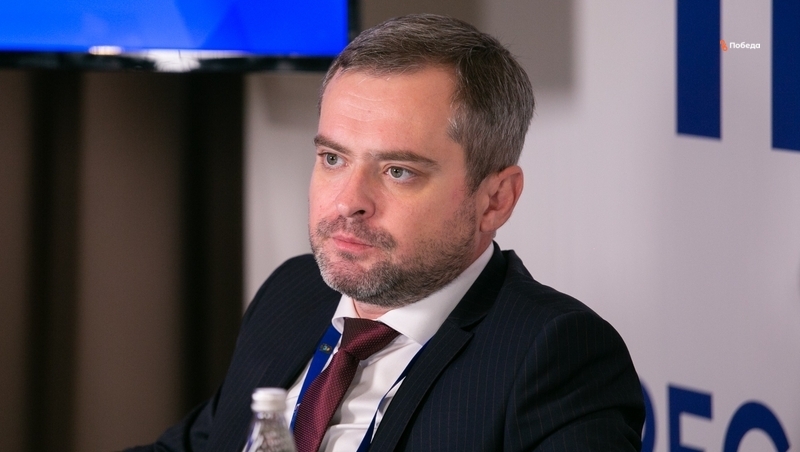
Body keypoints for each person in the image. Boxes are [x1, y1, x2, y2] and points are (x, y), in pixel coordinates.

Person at [128, 13, 644, 452]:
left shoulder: (554, 355)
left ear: (495, 200)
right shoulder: (294, 292)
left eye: (398, 171)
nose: (348, 202)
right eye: (333, 158)